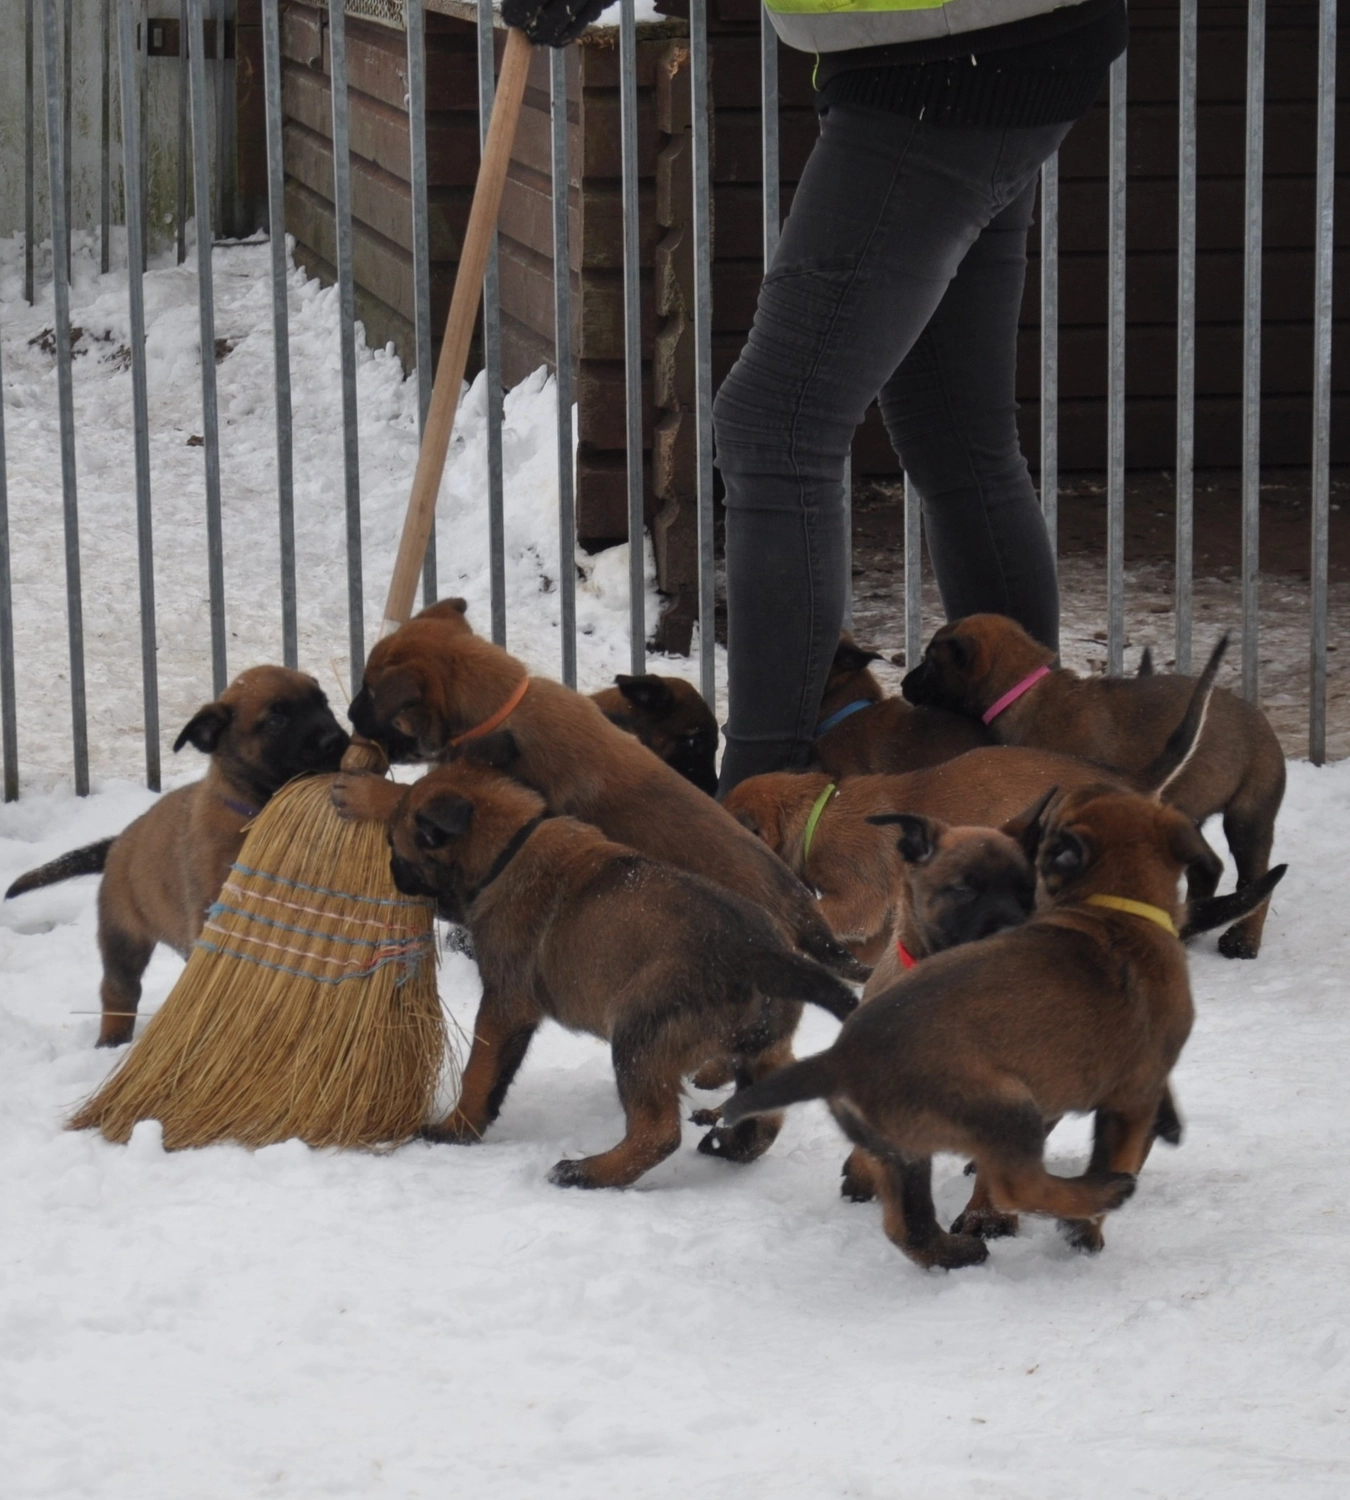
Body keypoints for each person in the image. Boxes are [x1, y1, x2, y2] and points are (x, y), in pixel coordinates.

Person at [501, 0, 1127, 793]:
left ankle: (765, 804)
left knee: (776, 426)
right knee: (953, 429)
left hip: (938, 62)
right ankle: (1042, 782)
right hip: (1003, 47)